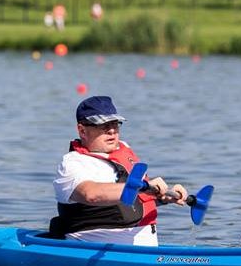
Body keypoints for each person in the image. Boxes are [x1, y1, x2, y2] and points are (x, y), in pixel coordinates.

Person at [51, 96, 188, 246]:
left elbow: (130, 202)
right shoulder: (73, 163)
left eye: (115, 124)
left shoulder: (123, 150)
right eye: (103, 125)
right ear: (82, 130)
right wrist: (144, 187)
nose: (112, 131)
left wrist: (162, 198)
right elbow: (90, 194)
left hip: (142, 251)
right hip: (95, 253)